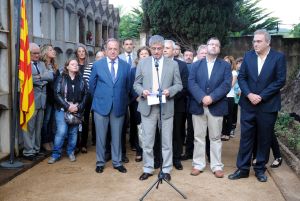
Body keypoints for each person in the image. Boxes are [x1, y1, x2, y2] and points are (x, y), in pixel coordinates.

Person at [228, 29, 286, 182]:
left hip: (268, 106)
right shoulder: (248, 56)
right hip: (248, 104)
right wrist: (249, 94)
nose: (255, 44)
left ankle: (260, 169)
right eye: (254, 41)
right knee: (246, 138)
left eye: (259, 41)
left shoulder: (278, 57)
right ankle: (243, 169)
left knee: (264, 138)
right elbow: (242, 77)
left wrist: (261, 96)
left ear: (268, 42)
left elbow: (280, 80)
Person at [134, 35, 183, 181]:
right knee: (148, 141)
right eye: (153, 49)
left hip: (166, 106)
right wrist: (142, 91)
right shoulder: (142, 63)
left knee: (166, 141)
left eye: (159, 48)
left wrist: (170, 91)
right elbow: (136, 84)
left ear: (164, 48)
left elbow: (179, 85)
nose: (156, 51)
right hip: (147, 107)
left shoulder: (173, 64)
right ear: (149, 48)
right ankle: (148, 168)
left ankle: (166, 169)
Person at [188, 37, 232, 178]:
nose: (213, 47)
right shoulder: (196, 65)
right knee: (198, 137)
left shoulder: (225, 66)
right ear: (206, 48)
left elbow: (226, 84)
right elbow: (191, 83)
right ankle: (198, 164)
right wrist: (202, 97)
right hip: (198, 105)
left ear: (219, 49)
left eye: (216, 45)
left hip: (216, 106)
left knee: (215, 138)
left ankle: (216, 166)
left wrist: (211, 97)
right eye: (211, 44)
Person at [89, 38, 131, 174]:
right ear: (105, 50)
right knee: (101, 136)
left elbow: (128, 87)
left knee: (117, 136)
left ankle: (117, 162)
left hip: (118, 106)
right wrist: (101, 97)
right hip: (101, 106)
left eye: (115, 49)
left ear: (119, 50)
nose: (113, 51)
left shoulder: (126, 66)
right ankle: (100, 162)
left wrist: (122, 100)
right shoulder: (97, 65)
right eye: (110, 48)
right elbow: (91, 86)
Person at [48, 58, 88, 164]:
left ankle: (71, 152)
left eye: (76, 64)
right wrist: (67, 106)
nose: (75, 65)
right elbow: (56, 94)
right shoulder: (61, 78)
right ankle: (55, 154)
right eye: (72, 64)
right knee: (61, 131)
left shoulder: (82, 80)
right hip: (62, 109)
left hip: (76, 110)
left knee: (73, 132)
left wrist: (78, 107)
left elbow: (85, 95)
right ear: (67, 67)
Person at [22, 43, 54, 161]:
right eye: (34, 53)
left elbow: (50, 76)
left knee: (39, 126)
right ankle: (28, 151)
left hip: (42, 101)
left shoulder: (42, 64)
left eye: (38, 53)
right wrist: (43, 77)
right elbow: (27, 80)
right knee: (29, 127)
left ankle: (36, 149)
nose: (37, 55)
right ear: (28, 54)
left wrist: (38, 78)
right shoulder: (24, 65)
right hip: (30, 100)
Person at [163, 40, 188, 170]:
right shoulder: (156, 64)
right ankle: (159, 158)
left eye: (168, 48)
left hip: (177, 105)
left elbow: (184, 87)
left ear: (174, 50)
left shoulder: (182, 66)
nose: (165, 50)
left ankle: (176, 158)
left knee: (177, 133)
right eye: (164, 48)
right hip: (159, 106)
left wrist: (169, 96)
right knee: (160, 133)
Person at [182, 44, 208, 161]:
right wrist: (201, 98)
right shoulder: (193, 67)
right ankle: (189, 152)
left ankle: (209, 155)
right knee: (192, 130)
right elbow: (190, 85)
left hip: (211, 103)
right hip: (194, 103)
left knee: (209, 132)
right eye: (202, 53)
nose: (204, 55)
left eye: (206, 53)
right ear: (198, 54)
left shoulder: (214, 67)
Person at [129, 46, 152, 162]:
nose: (144, 55)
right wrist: (137, 96)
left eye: (146, 53)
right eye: (142, 54)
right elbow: (130, 85)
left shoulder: (154, 68)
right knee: (139, 127)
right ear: (138, 56)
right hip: (137, 102)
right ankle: (139, 150)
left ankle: (150, 151)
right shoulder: (133, 70)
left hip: (151, 102)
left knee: (150, 127)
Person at [40, 44, 59, 152]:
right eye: (51, 50)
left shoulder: (54, 65)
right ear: (45, 52)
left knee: (52, 120)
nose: (54, 51)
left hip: (53, 96)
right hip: (45, 95)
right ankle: (45, 141)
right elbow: (46, 79)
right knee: (46, 120)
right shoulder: (42, 65)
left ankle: (50, 140)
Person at [75, 44, 90, 153]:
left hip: (87, 96)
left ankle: (83, 144)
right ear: (77, 53)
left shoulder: (90, 65)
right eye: (79, 51)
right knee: (75, 119)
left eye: (83, 51)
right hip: (75, 96)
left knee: (85, 119)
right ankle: (75, 144)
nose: (81, 53)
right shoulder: (73, 65)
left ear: (85, 53)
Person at [221, 56, 238, 141]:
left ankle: (227, 134)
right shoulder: (221, 72)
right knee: (222, 116)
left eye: (228, 62)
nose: (226, 63)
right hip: (221, 96)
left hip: (229, 96)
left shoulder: (234, 72)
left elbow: (231, 85)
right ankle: (223, 133)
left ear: (231, 64)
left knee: (229, 116)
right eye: (225, 61)